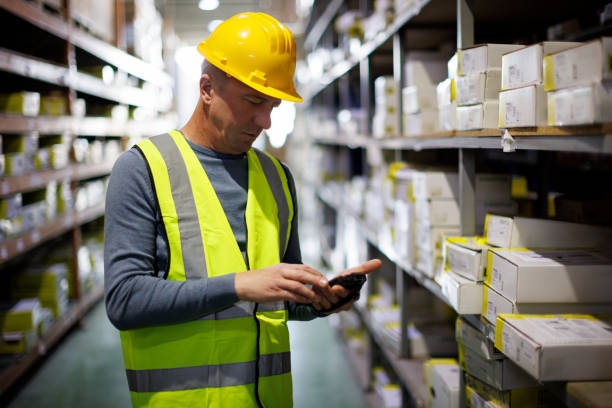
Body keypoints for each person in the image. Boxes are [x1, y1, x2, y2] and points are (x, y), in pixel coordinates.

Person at [104, 11, 381, 408]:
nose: (265, 121)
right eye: (253, 102)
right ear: (206, 89)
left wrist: (318, 301)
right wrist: (238, 284)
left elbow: (277, 301)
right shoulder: (142, 169)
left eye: (273, 105)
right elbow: (124, 300)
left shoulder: (277, 178)